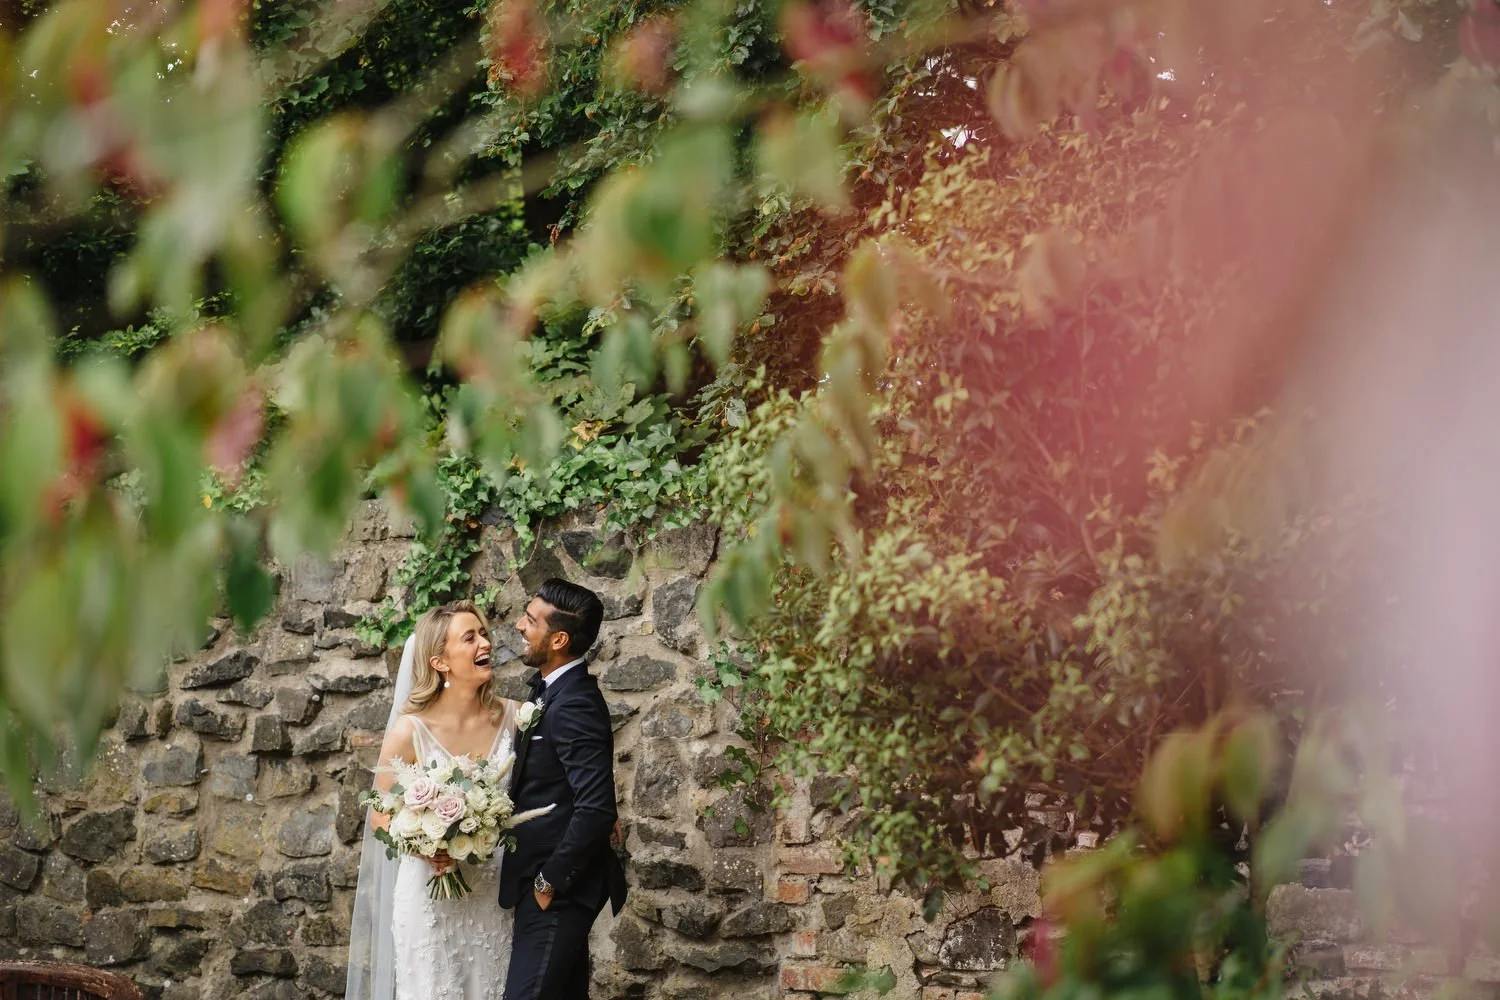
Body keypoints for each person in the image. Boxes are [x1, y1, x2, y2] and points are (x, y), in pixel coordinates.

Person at [346, 600, 520, 1000]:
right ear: (440, 661)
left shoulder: (515, 717)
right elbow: (379, 816)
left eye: (484, 634)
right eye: (470, 637)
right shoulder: (411, 730)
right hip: (428, 896)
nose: (485, 643)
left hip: (491, 895)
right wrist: (427, 846)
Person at [500, 578, 628, 1000]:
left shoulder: (573, 703)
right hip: (541, 887)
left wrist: (548, 883)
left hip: (558, 892)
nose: (519, 625)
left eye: (530, 620)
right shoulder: (550, 693)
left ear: (557, 638)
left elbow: (595, 809)